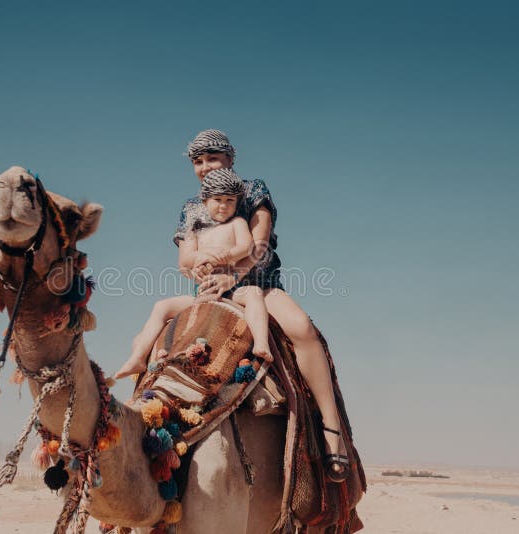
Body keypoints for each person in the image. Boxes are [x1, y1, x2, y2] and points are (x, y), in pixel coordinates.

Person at [176, 129, 349, 481]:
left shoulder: (252, 190)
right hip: (211, 291)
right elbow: (184, 259)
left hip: (261, 284)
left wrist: (232, 277)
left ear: (230, 159)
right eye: (198, 161)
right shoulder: (192, 207)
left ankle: (332, 431)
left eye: (212, 158)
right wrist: (202, 270)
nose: (205, 166)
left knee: (301, 329)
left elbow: (259, 244)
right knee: (162, 343)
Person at [116, 168, 273, 379]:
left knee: (254, 293)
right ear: (205, 201)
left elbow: (247, 247)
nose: (223, 205)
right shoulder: (195, 231)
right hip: (202, 293)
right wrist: (201, 258)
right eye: (217, 199)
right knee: (162, 306)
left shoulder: (238, 223)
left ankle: (261, 342)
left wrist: (224, 255)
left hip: (233, 289)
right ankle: (138, 356)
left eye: (230, 200)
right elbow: (185, 261)